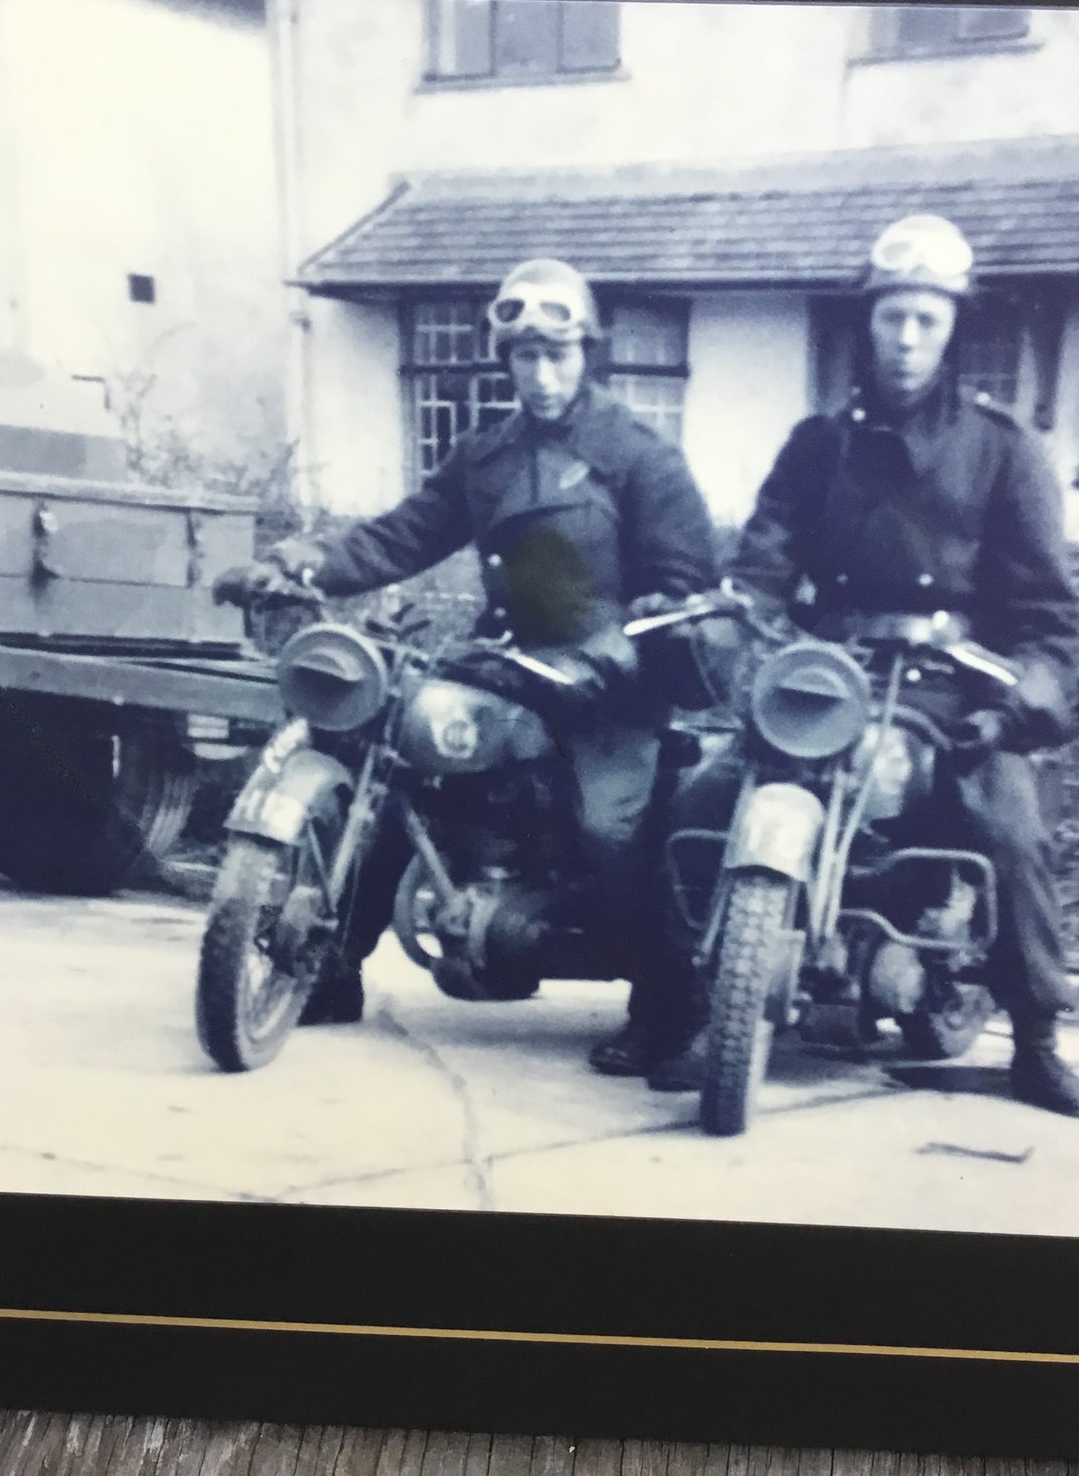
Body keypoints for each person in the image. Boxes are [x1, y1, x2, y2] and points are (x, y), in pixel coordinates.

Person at [644, 213, 1079, 1119]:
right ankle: (698, 1005)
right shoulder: (818, 443)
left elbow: (1048, 618)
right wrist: (745, 618)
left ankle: (1036, 1041)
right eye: (891, 316)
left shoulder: (1001, 450)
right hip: (824, 676)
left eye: (925, 320)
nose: (904, 338)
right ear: (867, 320)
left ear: (953, 328)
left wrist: (1016, 707)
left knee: (1011, 830)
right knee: (699, 801)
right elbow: (765, 563)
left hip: (950, 686)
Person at [231, 257, 719, 1047]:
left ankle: (667, 1007)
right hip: (510, 664)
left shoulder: (639, 455)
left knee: (610, 828)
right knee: (395, 762)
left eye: (557, 353)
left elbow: (686, 582)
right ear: (508, 361)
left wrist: (619, 642)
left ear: (587, 353)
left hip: (613, 684)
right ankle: (330, 966)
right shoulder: (485, 455)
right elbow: (403, 534)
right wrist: (301, 562)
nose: (541, 372)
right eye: (525, 355)